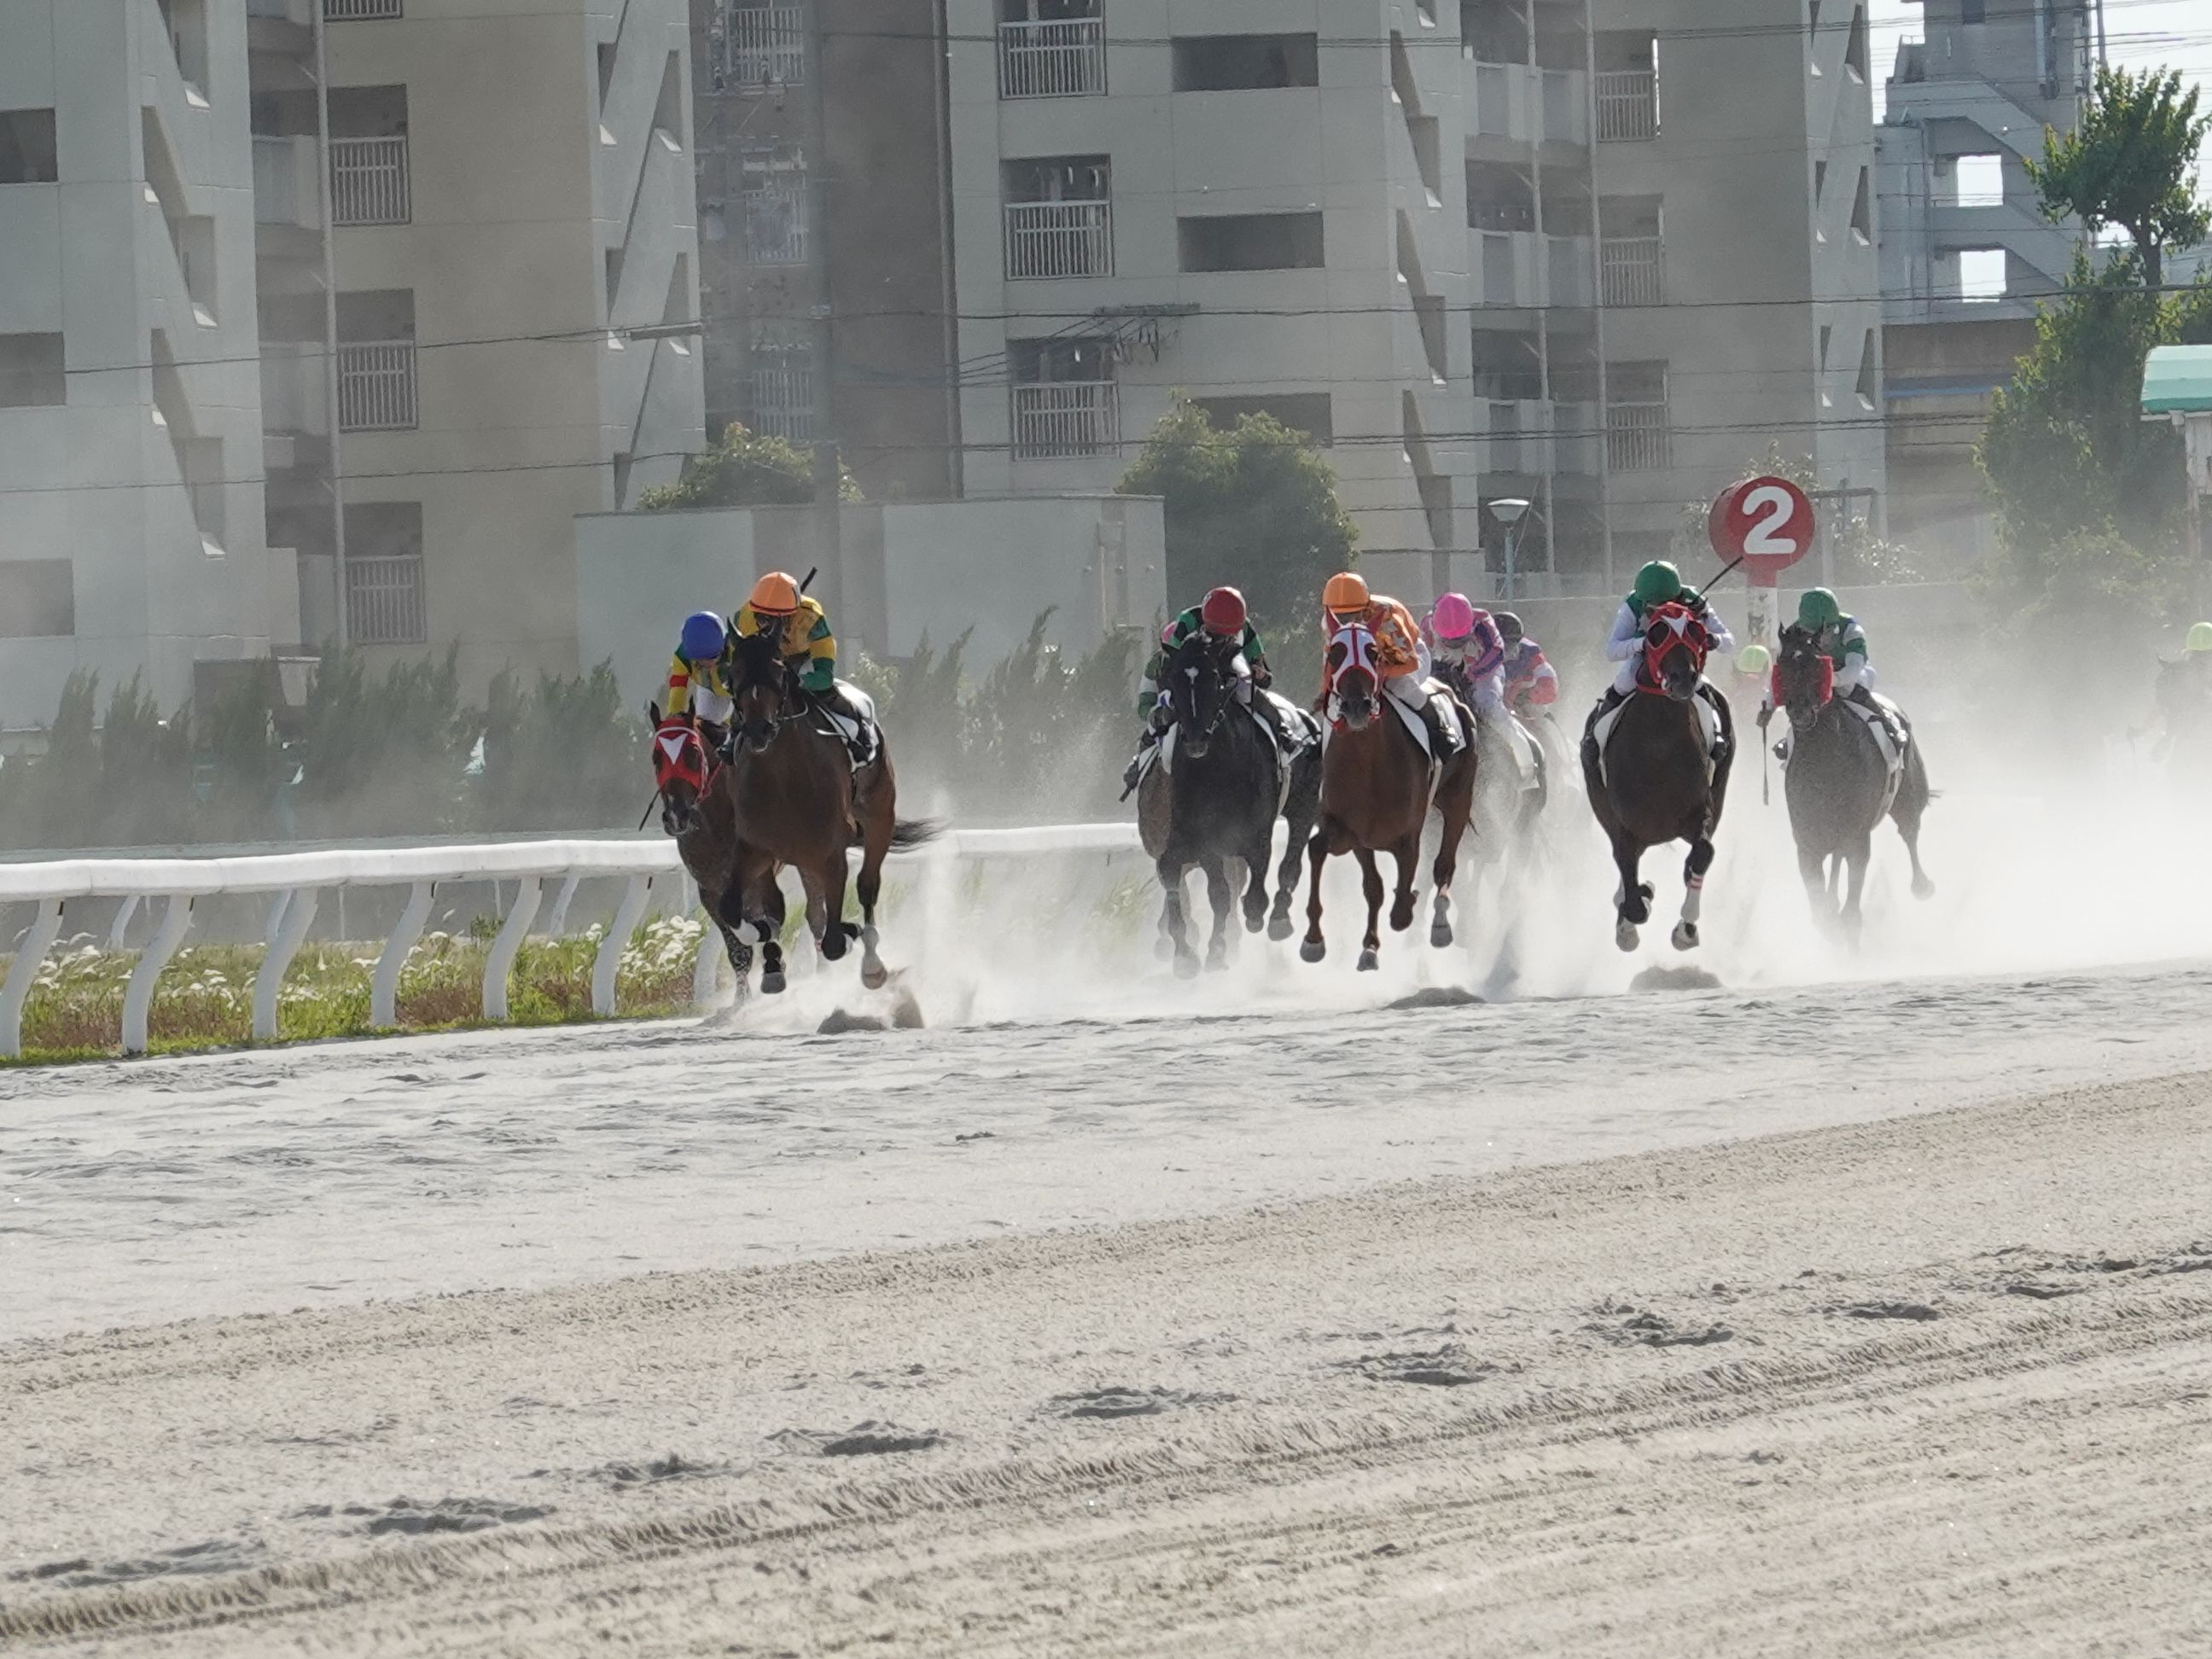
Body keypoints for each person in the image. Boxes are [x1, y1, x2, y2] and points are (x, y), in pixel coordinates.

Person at [1123, 585, 1300, 790]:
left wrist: (1260, 674)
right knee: (1166, 707)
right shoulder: (1188, 621)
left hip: (1226, 670)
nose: (1223, 638)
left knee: (1246, 688)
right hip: (1190, 673)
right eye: (1218, 633)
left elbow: (1264, 673)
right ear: (1206, 621)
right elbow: (1172, 660)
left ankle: (1283, 731)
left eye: (1231, 633)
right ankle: (1141, 759)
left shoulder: (1245, 627)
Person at [1584, 559, 1735, 763]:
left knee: (1701, 685)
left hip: (1682, 660)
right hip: (1646, 658)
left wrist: (1713, 639)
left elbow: (1729, 641)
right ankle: (1595, 739)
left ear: (1677, 595)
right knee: (1625, 681)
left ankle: (1716, 734)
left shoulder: (1694, 599)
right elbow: (1612, 650)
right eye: (1651, 606)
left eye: (1662, 603)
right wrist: (1642, 643)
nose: (1655, 610)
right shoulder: (1633, 604)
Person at [731, 570, 881, 766]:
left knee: (827, 693)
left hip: (804, 658)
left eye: (773, 621)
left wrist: (801, 681)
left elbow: (824, 676)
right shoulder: (744, 619)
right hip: (768, 660)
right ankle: (730, 741)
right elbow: (735, 664)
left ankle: (860, 738)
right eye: (761, 618)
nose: (765, 626)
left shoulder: (812, 619)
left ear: (791, 615)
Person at [1320, 570, 1455, 754]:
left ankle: (1439, 730)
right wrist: (1325, 692)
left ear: (1366, 607)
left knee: (1401, 686)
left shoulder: (1387, 615)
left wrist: (1381, 673)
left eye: (1353, 615)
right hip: (1368, 663)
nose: (1346, 623)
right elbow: (1331, 663)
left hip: (1404, 656)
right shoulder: (1329, 622)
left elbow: (1410, 663)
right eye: (1340, 617)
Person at [1757, 587, 1903, 755]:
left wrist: (1832, 679)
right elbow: (1783, 673)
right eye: (1809, 630)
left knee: (1854, 690)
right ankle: (1791, 744)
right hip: (1813, 678)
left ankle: (1888, 728)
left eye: (1820, 630)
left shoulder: (1851, 628)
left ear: (1831, 622)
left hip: (1848, 674)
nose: (1813, 634)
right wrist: (1769, 706)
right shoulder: (1793, 632)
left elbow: (1854, 666)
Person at [1427, 593, 1537, 791]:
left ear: (1471, 625)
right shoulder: (1425, 626)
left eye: (1460, 640)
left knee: (1488, 706)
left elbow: (1497, 651)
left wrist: (1472, 675)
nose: (1455, 645)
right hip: (1443, 671)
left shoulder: (1484, 622)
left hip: (1484, 670)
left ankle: (1527, 769)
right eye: (1449, 641)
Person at [663, 609, 736, 724]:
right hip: (709, 689)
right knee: (705, 724)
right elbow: (678, 686)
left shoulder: (737, 650)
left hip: (740, 689)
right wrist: (675, 714)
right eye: (700, 660)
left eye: (713, 656)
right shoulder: (682, 658)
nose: (708, 664)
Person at [1494, 611, 1560, 720]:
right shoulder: (1475, 649)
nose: (1508, 650)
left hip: (1520, 704)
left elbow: (1548, 682)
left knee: (1536, 714)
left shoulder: (1530, 652)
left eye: (1511, 643)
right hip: (1490, 701)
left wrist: (1528, 696)